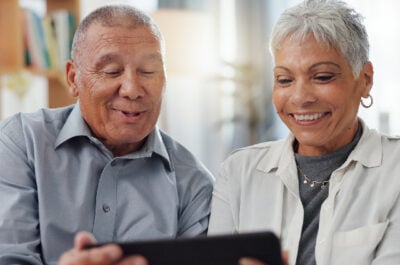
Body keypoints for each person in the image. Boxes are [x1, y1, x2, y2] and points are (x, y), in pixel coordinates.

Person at [0, 4, 214, 265]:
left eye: (148, 72)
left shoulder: (193, 183)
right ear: (72, 78)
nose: (132, 90)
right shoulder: (21, 143)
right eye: (112, 71)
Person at [208, 0, 400, 265]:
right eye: (284, 80)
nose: (299, 98)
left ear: (365, 79)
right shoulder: (238, 172)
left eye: (322, 77)